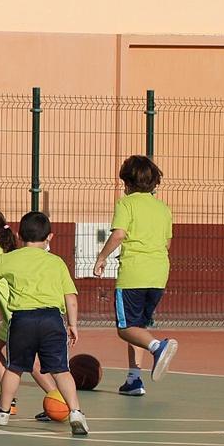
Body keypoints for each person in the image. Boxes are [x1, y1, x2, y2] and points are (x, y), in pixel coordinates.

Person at [0, 211, 89, 436]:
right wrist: (73, 324)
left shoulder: (8, 258)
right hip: (52, 320)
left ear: (19, 235)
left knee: (14, 368)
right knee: (61, 370)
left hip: (22, 320)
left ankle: (3, 411)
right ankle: (75, 412)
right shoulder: (57, 262)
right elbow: (70, 296)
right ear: (50, 237)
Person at [92, 155, 177, 396]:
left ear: (127, 183)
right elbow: (167, 243)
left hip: (134, 273)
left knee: (125, 328)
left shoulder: (126, 204)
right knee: (138, 326)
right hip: (159, 273)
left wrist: (102, 257)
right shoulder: (163, 208)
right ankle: (134, 380)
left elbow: (119, 234)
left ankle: (157, 347)